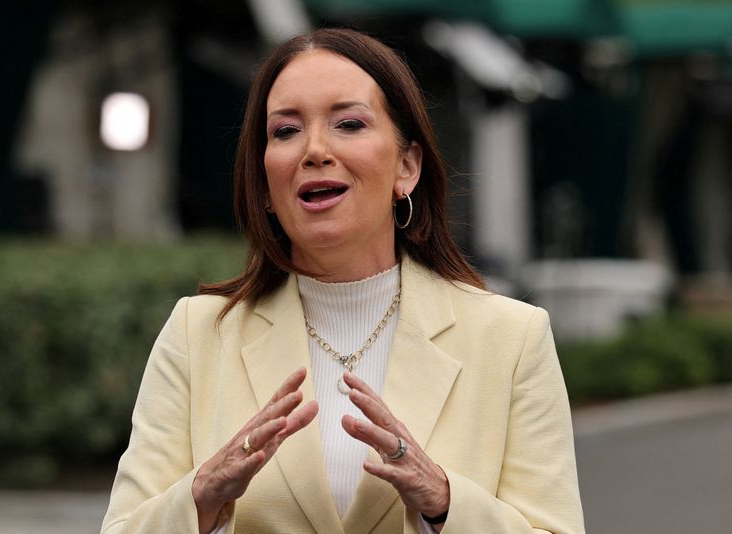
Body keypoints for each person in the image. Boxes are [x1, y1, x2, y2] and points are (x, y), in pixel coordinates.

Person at [101, 28, 584, 534]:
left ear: (407, 166)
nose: (314, 150)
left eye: (349, 123)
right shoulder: (197, 334)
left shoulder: (511, 337)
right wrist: (201, 496)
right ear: (265, 185)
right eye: (285, 132)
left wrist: (444, 502)